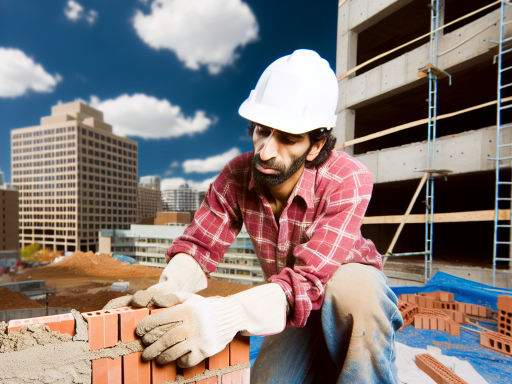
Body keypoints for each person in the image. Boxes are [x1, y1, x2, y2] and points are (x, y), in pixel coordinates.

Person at [105, 49, 402, 383]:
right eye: (262, 131)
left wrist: (225, 316)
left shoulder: (348, 178)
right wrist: (167, 292)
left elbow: (310, 280)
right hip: (291, 305)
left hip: (344, 295)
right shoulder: (236, 174)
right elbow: (199, 247)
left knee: (354, 288)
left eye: (288, 139)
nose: (266, 151)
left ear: (316, 146)